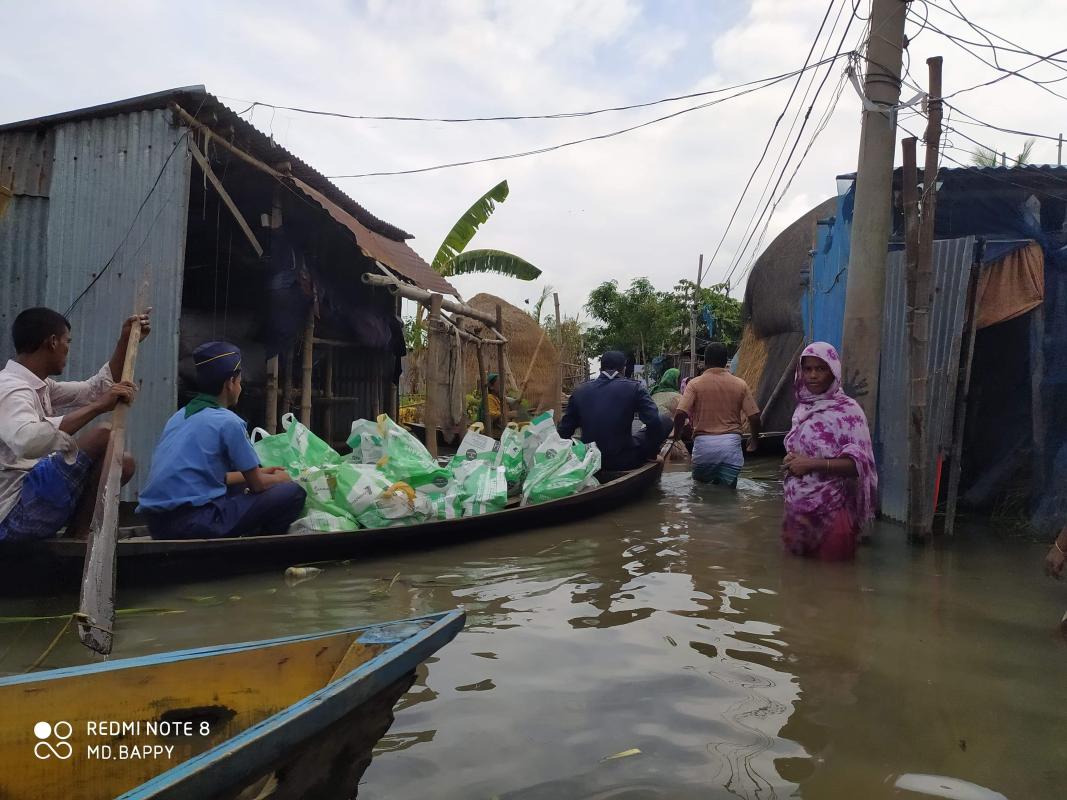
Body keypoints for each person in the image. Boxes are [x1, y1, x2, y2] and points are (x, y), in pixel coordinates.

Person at [0, 306, 148, 542]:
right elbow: (27, 441)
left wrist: (125, 342)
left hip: (34, 501)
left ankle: (79, 534)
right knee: (103, 434)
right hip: (12, 514)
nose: (68, 349)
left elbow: (95, 389)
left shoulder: (41, 387)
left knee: (123, 463)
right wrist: (98, 407)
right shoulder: (10, 388)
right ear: (52, 342)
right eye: (67, 341)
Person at [137, 341, 306, 539]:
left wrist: (261, 471)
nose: (240, 387)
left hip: (157, 525)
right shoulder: (229, 422)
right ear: (230, 383)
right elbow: (258, 485)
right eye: (239, 381)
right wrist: (287, 477)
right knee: (293, 492)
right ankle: (261, 543)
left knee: (240, 486)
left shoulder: (179, 417)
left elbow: (211, 476)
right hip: (194, 521)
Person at [781, 342, 877, 561]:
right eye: (807, 369)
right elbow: (802, 450)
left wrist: (811, 464)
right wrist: (791, 459)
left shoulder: (848, 412)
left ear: (833, 371)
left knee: (834, 579)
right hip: (797, 509)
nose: (813, 375)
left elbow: (859, 465)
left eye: (821, 369)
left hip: (832, 511)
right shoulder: (803, 408)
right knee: (794, 578)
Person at [558, 350, 671, 471]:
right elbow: (654, 421)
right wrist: (652, 453)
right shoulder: (635, 387)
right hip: (624, 461)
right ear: (624, 368)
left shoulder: (579, 391)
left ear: (601, 369)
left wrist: (571, 458)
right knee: (665, 420)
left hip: (590, 459)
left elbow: (564, 432)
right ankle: (647, 454)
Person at [673, 343, 761, 488]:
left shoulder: (694, 384)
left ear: (705, 361)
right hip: (731, 447)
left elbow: (680, 413)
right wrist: (754, 441)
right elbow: (755, 417)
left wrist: (677, 436)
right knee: (729, 494)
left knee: (700, 493)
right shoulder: (740, 384)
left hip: (703, 448)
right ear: (726, 361)